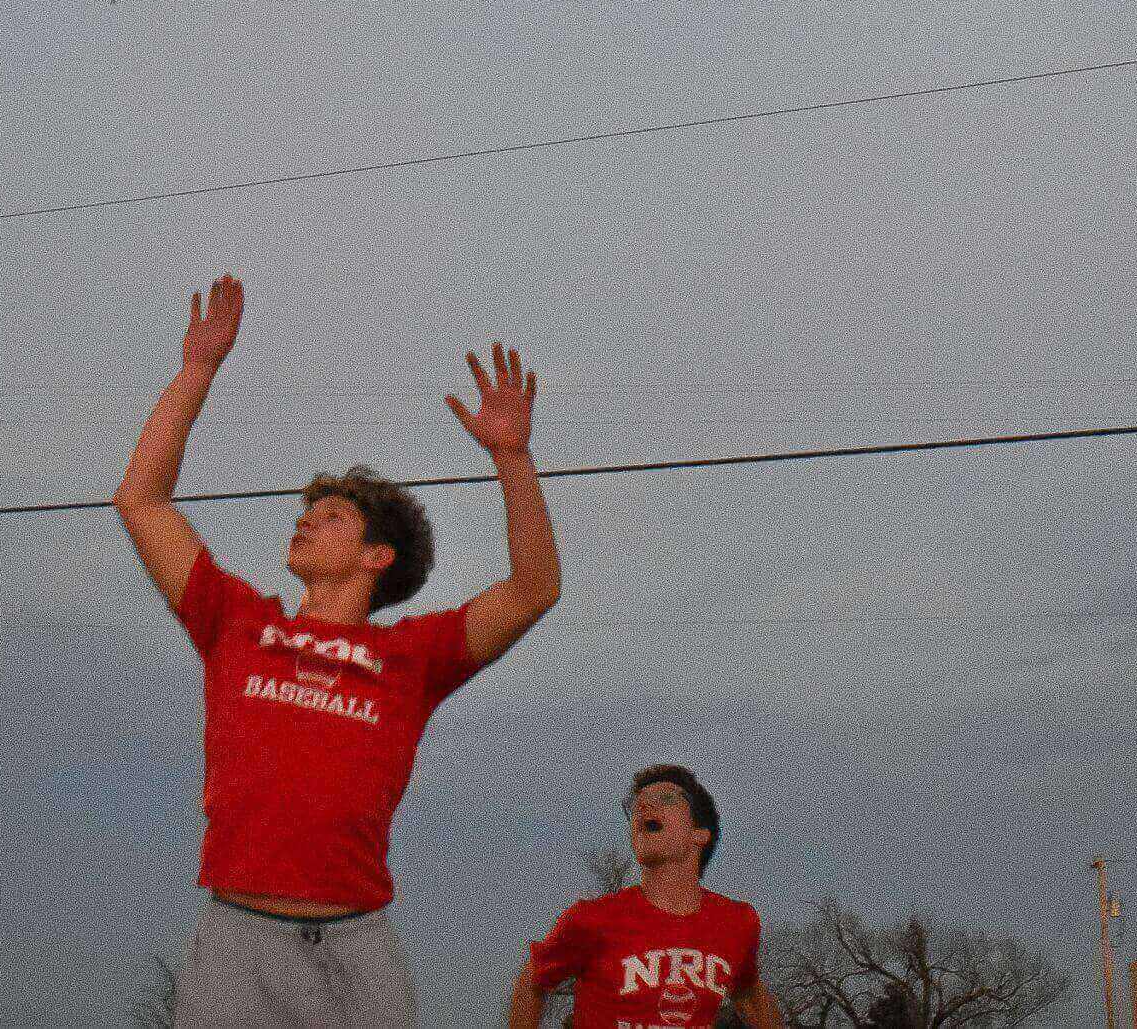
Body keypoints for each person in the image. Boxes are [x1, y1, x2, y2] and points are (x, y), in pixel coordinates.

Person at [114, 273, 562, 1029]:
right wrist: (196, 372)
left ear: (377, 556)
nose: (306, 522)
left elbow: (532, 589)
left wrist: (513, 458)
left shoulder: (413, 657)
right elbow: (142, 500)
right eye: (306, 513)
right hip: (235, 940)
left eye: (330, 515)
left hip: (356, 947)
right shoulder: (236, 622)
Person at [508, 763, 783, 1029]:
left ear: (700, 833)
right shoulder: (591, 919)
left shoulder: (736, 923)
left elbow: (749, 994)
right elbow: (533, 980)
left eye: (665, 798)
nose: (643, 806)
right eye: (636, 803)